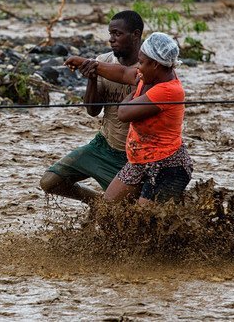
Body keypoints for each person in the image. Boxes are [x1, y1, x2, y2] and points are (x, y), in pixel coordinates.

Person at [66, 32, 193, 205]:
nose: (138, 68)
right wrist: (85, 63)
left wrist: (132, 95)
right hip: (139, 160)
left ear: (155, 64)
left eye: (141, 63)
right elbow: (123, 73)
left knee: (146, 217)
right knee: (108, 207)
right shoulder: (150, 76)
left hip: (168, 165)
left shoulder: (168, 90)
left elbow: (123, 114)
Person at [39, 11, 144, 204]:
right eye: (110, 34)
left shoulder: (149, 65)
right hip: (104, 144)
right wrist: (92, 79)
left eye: (117, 34)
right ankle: (96, 203)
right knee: (50, 181)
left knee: (129, 212)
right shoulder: (103, 60)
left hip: (134, 156)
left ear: (136, 35)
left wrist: (92, 65)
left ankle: (107, 205)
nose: (111, 39)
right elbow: (93, 110)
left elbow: (128, 74)